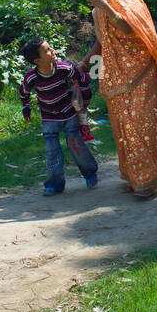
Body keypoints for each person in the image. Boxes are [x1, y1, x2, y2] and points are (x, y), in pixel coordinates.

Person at [81, 0, 157, 198]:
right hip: (118, 81)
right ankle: (134, 178)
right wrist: (85, 63)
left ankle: (148, 182)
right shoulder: (99, 13)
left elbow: (129, 30)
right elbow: (102, 42)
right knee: (124, 128)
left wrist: (108, 9)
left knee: (143, 126)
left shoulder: (134, 6)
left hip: (143, 76)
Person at [20, 36, 98, 195]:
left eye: (50, 47)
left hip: (69, 115)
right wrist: (26, 109)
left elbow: (81, 78)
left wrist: (85, 98)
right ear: (37, 60)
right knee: (52, 152)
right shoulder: (31, 77)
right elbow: (24, 93)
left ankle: (90, 173)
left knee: (77, 146)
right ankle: (55, 184)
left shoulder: (64, 68)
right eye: (47, 50)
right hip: (49, 119)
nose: (52, 51)